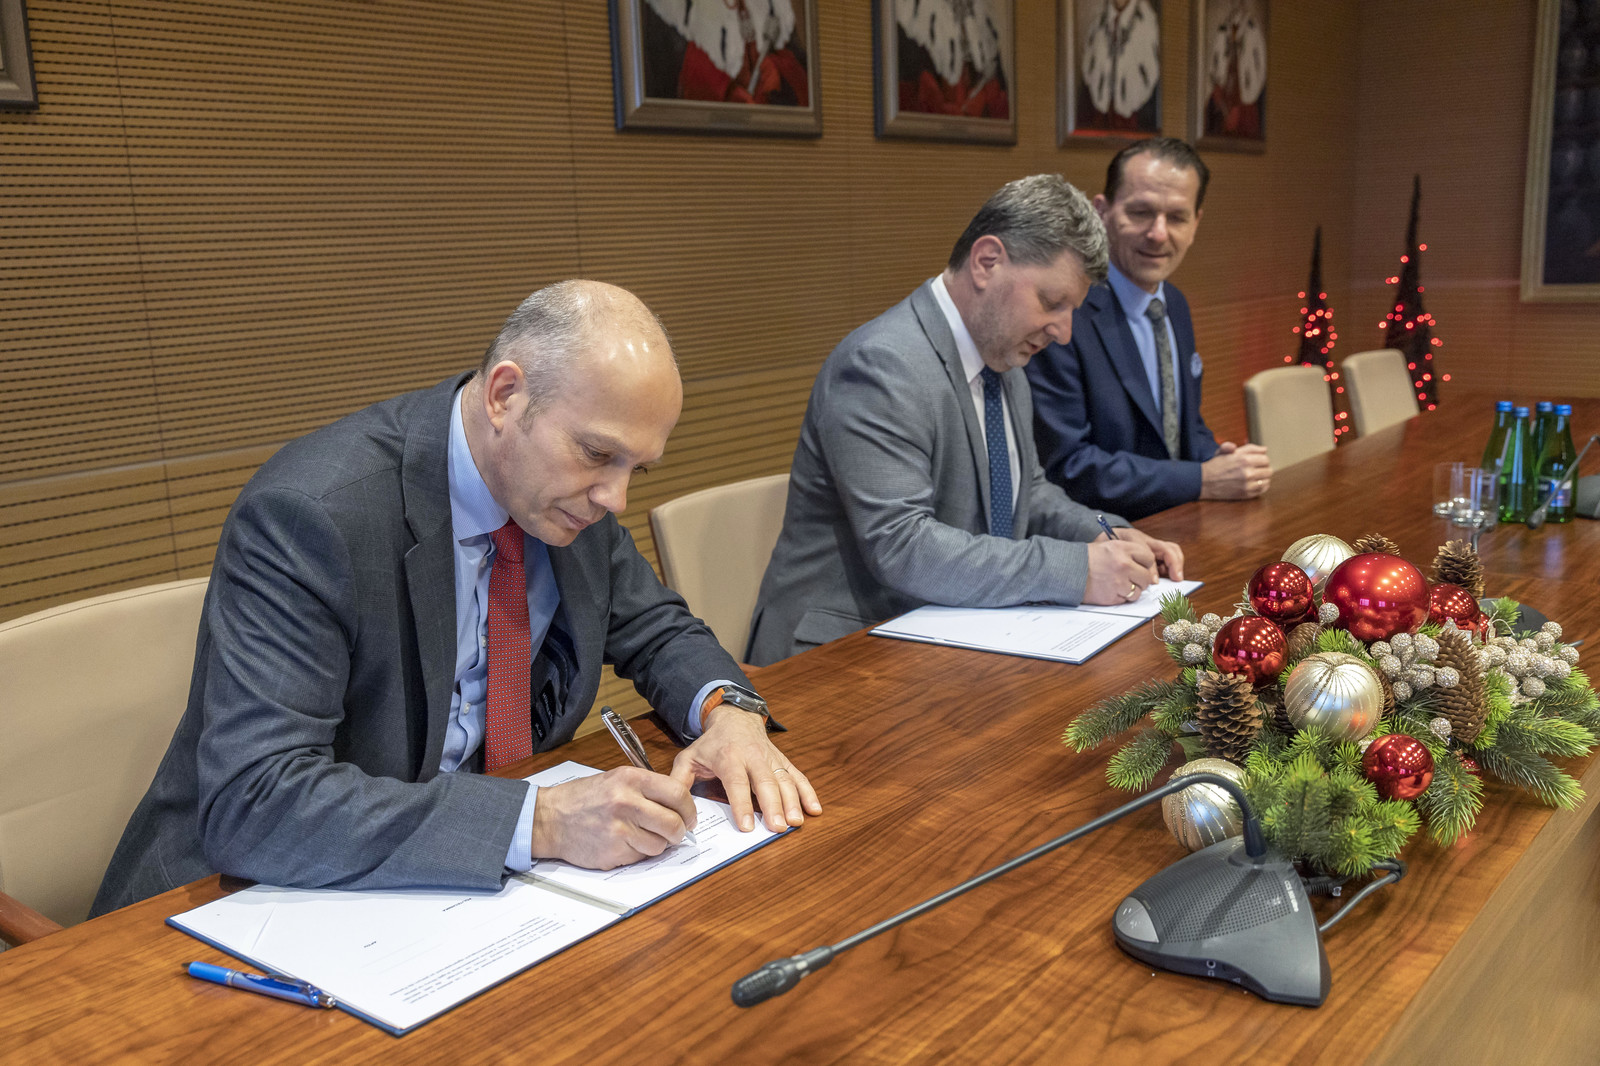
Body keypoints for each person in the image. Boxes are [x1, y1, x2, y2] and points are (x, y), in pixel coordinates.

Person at [92, 281, 820, 916]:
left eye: (638, 468)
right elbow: (257, 800)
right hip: (240, 905)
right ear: (505, 395)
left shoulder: (565, 498)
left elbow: (657, 629)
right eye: (598, 454)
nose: (616, 497)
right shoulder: (313, 515)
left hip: (467, 895)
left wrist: (730, 713)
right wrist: (541, 822)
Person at [745, 174, 1184, 667]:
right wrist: (1076, 569)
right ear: (987, 262)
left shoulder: (1003, 355)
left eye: (1072, 311)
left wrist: (1103, 535)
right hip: (839, 654)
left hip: (944, 635)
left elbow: (1028, 490)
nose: (1063, 332)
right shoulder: (882, 364)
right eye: (1051, 302)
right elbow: (904, 546)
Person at [1026, 138, 1272, 521]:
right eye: (1141, 212)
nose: (1158, 233)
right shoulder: (1063, 314)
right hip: (1100, 536)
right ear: (1101, 211)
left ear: (1196, 224)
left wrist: (1221, 459)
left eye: (1177, 218)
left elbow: (1183, 427)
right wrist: (1201, 479)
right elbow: (1067, 466)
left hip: (1180, 526)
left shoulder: (1174, 303)